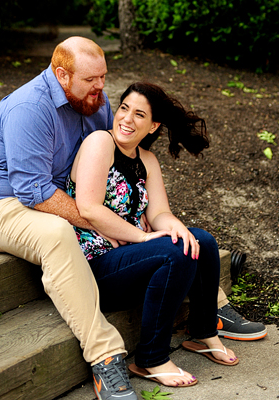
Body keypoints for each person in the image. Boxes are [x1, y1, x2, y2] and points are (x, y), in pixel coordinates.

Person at [0, 37, 263, 400]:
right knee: (58, 232)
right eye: (92, 79)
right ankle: (105, 356)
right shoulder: (29, 107)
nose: (101, 89)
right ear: (61, 75)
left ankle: (211, 312)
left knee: (186, 238)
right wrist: (105, 226)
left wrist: (142, 221)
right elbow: (32, 190)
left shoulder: (94, 102)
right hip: (2, 204)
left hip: (57, 196)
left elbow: (122, 155)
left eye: (104, 77)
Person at [67, 82, 237, 387]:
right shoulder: (99, 143)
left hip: (128, 259)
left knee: (202, 242)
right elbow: (89, 208)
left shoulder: (147, 160)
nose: (127, 119)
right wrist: (143, 237)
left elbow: (159, 213)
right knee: (176, 252)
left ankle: (203, 332)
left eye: (139, 114)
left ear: (153, 125)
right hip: (95, 265)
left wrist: (176, 226)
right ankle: (151, 359)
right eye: (123, 108)